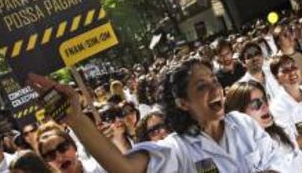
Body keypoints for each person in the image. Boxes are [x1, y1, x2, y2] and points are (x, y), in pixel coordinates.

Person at [27, 59, 288, 173]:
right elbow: (124, 169)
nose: (215, 88)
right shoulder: (178, 149)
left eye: (213, 81)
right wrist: (76, 119)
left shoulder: (243, 124)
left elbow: (279, 163)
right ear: (183, 103)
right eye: (201, 86)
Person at [225, 80, 302, 172]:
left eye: (265, 99)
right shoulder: (240, 151)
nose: (265, 106)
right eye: (256, 104)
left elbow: (301, 162)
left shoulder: (284, 130)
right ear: (239, 112)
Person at [269, 55, 302, 163]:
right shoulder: (277, 108)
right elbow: (294, 145)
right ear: (277, 78)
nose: (292, 72)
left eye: (294, 67)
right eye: (285, 71)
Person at [37, 129, 104, 173]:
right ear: (48, 164)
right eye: (50, 155)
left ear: (74, 146)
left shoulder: (100, 168)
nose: (60, 158)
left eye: (62, 147)